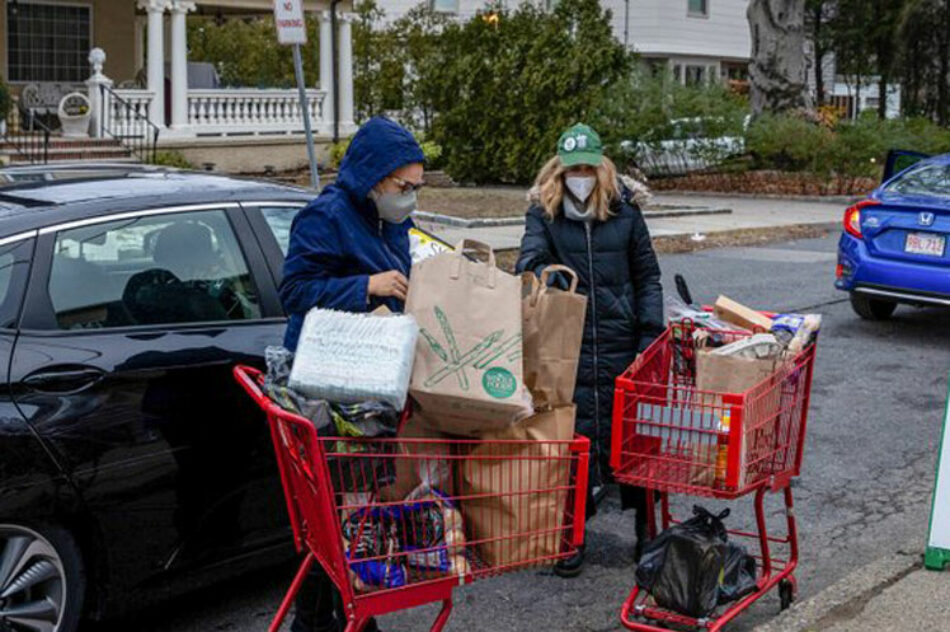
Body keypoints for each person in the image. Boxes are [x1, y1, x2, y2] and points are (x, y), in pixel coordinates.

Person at [280, 116, 425, 632]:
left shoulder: (392, 220)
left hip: (372, 386)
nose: (410, 197)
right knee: (336, 515)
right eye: (403, 187)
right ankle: (333, 620)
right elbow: (295, 291)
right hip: (328, 391)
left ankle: (339, 618)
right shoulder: (326, 217)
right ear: (374, 177)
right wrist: (366, 286)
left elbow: (402, 280)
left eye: (416, 188)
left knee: (351, 515)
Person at [516, 123, 664, 578]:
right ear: (558, 170)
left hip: (622, 344)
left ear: (602, 168)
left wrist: (649, 335)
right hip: (570, 345)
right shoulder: (544, 213)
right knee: (574, 440)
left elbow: (649, 278)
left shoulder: (625, 213)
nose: (579, 175)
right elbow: (527, 261)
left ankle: (647, 529)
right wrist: (549, 275)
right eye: (570, 168)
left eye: (587, 167)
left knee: (634, 438)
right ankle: (570, 533)